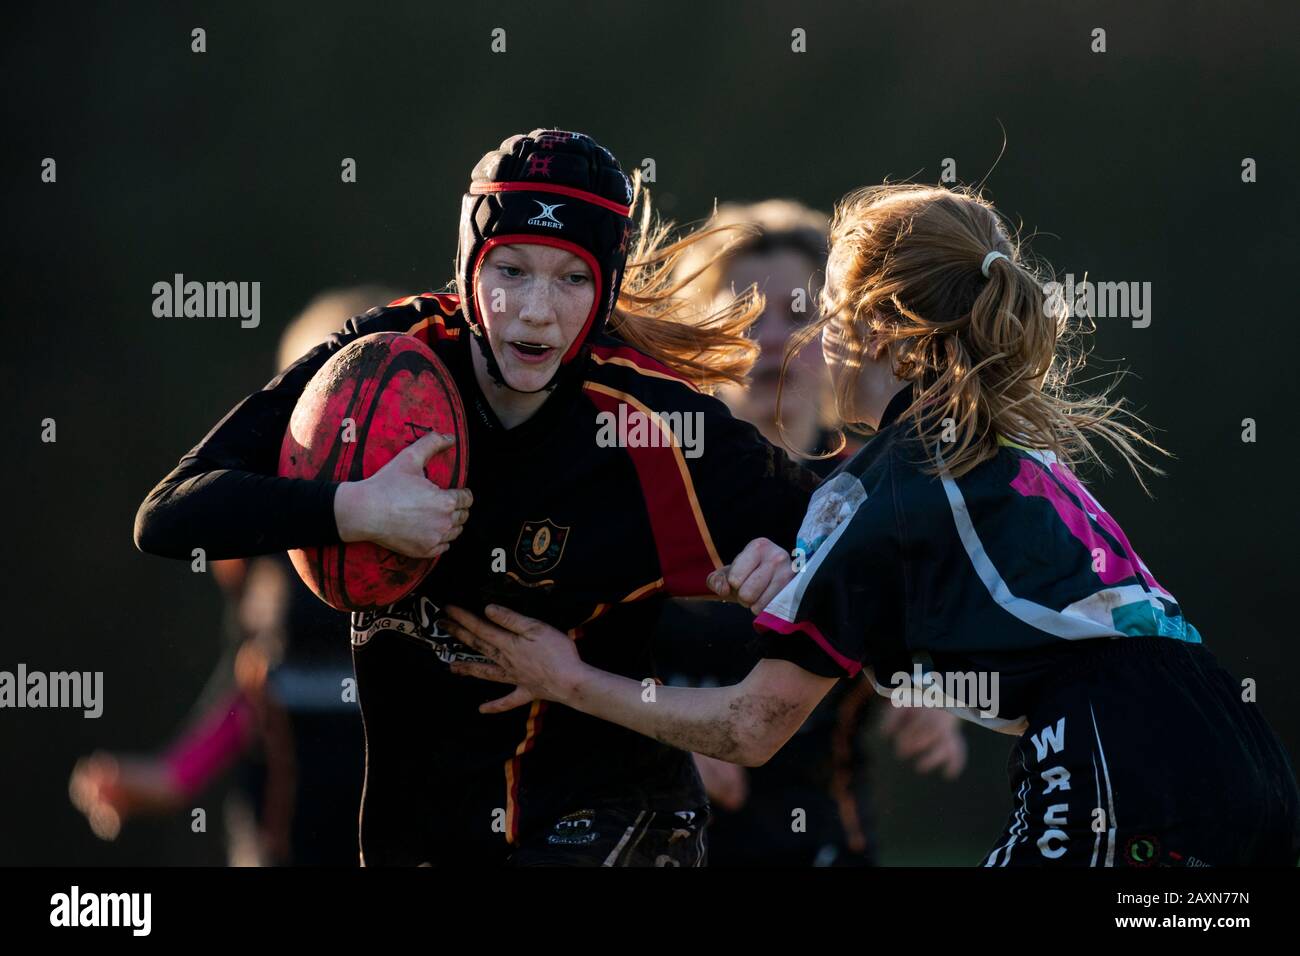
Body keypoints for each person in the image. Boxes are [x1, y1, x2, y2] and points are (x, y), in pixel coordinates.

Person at [443, 183, 1300, 867]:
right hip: (1240, 757)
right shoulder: (984, 443)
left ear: (885, 327)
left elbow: (753, 727)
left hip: (1125, 761)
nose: (817, 336)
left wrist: (565, 677)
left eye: (830, 313)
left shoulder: (880, 491)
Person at [134, 129, 823, 866]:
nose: (535, 310)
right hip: (429, 830)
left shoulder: (647, 419)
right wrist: (357, 509)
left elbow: (850, 527)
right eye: (511, 270)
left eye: (572, 278)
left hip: (613, 817)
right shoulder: (382, 363)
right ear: (467, 269)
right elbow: (171, 513)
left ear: (607, 289)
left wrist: (790, 555)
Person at [653, 200, 965, 866]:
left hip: (818, 844)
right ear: (696, 336)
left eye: (798, 316)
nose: (770, 339)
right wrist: (663, 745)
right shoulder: (647, 484)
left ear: (842, 335)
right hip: (653, 841)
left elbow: (923, 632)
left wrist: (930, 687)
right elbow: (558, 663)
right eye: (741, 313)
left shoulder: (882, 493)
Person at [73, 288, 395, 865]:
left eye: (373, 393)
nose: (349, 424)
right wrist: (175, 775)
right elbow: (249, 677)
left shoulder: (441, 528)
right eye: (325, 394)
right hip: (284, 813)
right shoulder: (262, 537)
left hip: (401, 815)